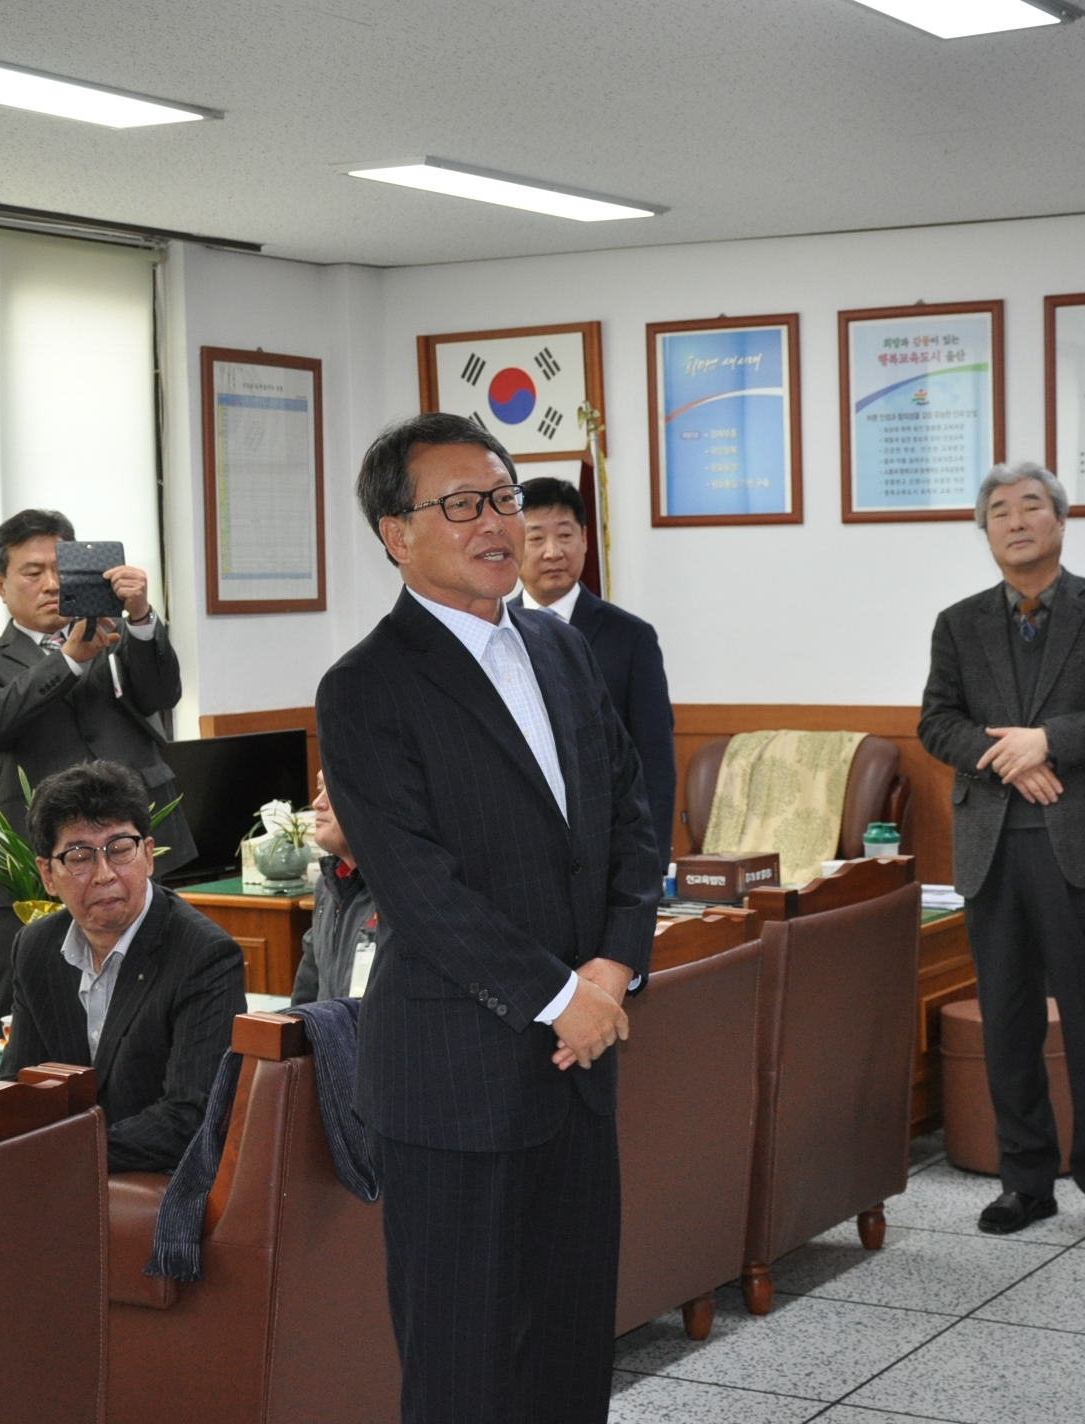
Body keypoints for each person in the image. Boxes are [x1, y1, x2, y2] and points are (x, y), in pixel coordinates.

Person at [318, 412, 659, 1424]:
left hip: (580, 1067)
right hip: (453, 1083)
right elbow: (421, 889)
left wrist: (611, 968)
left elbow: (630, 821)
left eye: (504, 497)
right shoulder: (365, 687)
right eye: (461, 503)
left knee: (570, 1356)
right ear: (396, 533)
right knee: (461, 1372)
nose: (496, 522)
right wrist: (562, 997)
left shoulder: (562, 647)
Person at [919, 460, 1085, 1243]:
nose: (1015, 521)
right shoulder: (958, 622)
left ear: (1059, 519)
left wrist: (1047, 741)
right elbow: (937, 722)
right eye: (999, 511)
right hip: (992, 843)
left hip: (1081, 841)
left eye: (1030, 506)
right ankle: (1025, 1182)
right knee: (1008, 1018)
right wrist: (1009, 760)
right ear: (985, 531)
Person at [0, 509, 197, 1043]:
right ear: (0, 585)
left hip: (137, 844)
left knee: (162, 987)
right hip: (41, 856)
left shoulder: (116, 634)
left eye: (61, 570)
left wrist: (140, 617)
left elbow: (162, 696)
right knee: (19, 1007)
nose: (51, 584)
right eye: (32, 572)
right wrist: (69, 659)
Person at [0, 761, 244, 1174]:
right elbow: (19, 1084)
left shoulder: (204, 954)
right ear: (48, 875)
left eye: (120, 849)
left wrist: (65, 1155)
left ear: (148, 855)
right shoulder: (36, 947)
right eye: (79, 856)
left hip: (162, 1180)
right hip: (65, 1172)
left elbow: (190, 1116)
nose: (104, 875)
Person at [510, 476, 678, 865]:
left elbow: (654, 762)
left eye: (565, 535)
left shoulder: (631, 638)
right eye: (536, 538)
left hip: (609, 845)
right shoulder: (493, 633)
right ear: (513, 543)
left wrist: (651, 863)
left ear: (585, 539)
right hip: (520, 847)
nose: (552, 552)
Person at [290, 772, 382, 1005]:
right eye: (319, 789)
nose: (317, 803)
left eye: (331, 790)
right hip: (328, 1028)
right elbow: (306, 997)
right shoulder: (327, 885)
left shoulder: (399, 893)